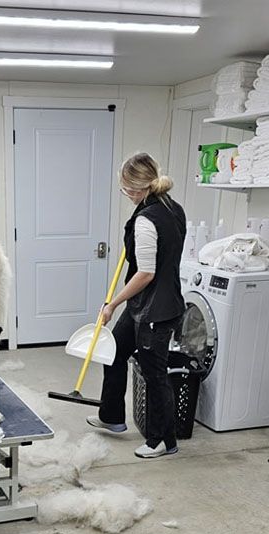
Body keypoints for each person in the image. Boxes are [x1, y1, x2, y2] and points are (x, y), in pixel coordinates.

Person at [87, 152, 186, 459]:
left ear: (134, 188)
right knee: (114, 349)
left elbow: (146, 273)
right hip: (147, 303)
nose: (125, 193)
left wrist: (112, 303)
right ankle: (112, 416)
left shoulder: (145, 219)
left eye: (125, 188)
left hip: (154, 310)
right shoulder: (173, 207)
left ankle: (163, 441)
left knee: (154, 374)